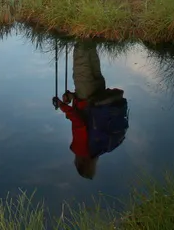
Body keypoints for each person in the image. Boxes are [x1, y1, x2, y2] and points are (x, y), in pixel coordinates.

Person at [52, 42, 129, 180]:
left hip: (99, 95)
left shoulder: (99, 147)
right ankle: (82, 32)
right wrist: (62, 106)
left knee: (91, 55)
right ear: (79, 163)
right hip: (86, 93)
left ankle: (90, 34)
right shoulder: (81, 150)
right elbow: (79, 122)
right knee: (81, 56)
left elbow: (87, 115)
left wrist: (71, 97)